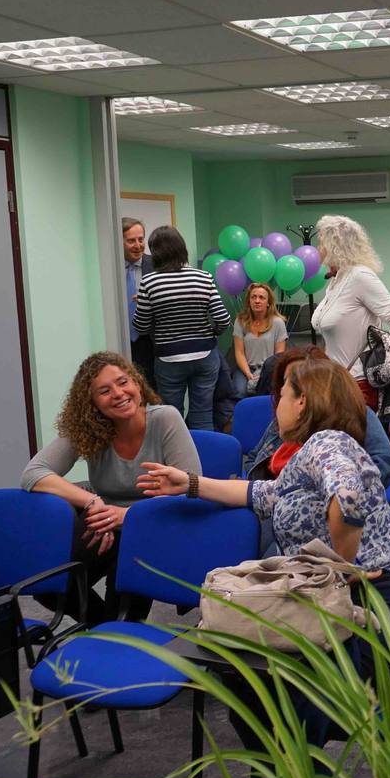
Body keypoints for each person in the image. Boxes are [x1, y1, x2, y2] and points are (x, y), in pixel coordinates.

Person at [138, 357, 390, 746]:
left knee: (271, 689)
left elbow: (349, 498)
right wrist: (188, 483)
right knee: (254, 675)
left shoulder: (327, 443)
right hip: (334, 601)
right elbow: (264, 494)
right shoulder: (305, 456)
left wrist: (342, 563)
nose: (277, 405)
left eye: (283, 395)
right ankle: (298, 767)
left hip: (376, 609)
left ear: (303, 401)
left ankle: (300, 768)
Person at [21, 351, 200, 623]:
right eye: (104, 391)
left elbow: (191, 491)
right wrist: (92, 502)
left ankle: (115, 634)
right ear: (92, 403)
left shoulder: (165, 419)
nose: (118, 393)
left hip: (157, 525)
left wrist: (126, 516)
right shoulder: (89, 428)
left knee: (124, 602)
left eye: (123, 382)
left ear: (137, 384)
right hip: (104, 522)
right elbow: (33, 473)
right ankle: (105, 631)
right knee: (49, 584)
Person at [244, 346, 390, 491]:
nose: (291, 387)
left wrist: (345, 491)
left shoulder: (353, 416)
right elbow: (254, 459)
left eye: (302, 381)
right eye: (287, 381)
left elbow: (384, 462)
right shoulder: (285, 418)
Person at [132, 225, 231, 430]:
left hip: (168, 358)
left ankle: (176, 460)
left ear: (156, 252)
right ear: (182, 249)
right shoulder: (203, 277)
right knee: (203, 412)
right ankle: (203, 458)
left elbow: (140, 326)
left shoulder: (149, 282)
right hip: (205, 355)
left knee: (171, 414)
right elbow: (223, 319)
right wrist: (211, 334)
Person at [312, 215, 390, 410]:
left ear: (335, 245)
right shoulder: (336, 281)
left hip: (358, 384)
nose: (318, 249)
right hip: (335, 382)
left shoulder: (360, 276)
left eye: (321, 243)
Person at [230, 282, 288, 400]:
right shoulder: (240, 321)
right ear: (249, 301)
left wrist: (262, 374)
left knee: (265, 395)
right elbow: (239, 352)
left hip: (269, 369)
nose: (257, 301)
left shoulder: (278, 323)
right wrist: (248, 374)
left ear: (268, 303)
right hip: (245, 369)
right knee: (239, 393)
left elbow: (279, 355)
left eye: (261, 297)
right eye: (253, 297)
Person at [121, 217, 156, 384]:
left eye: (141, 239)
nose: (138, 245)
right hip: (121, 340)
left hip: (151, 342)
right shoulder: (107, 266)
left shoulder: (157, 264)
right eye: (131, 241)